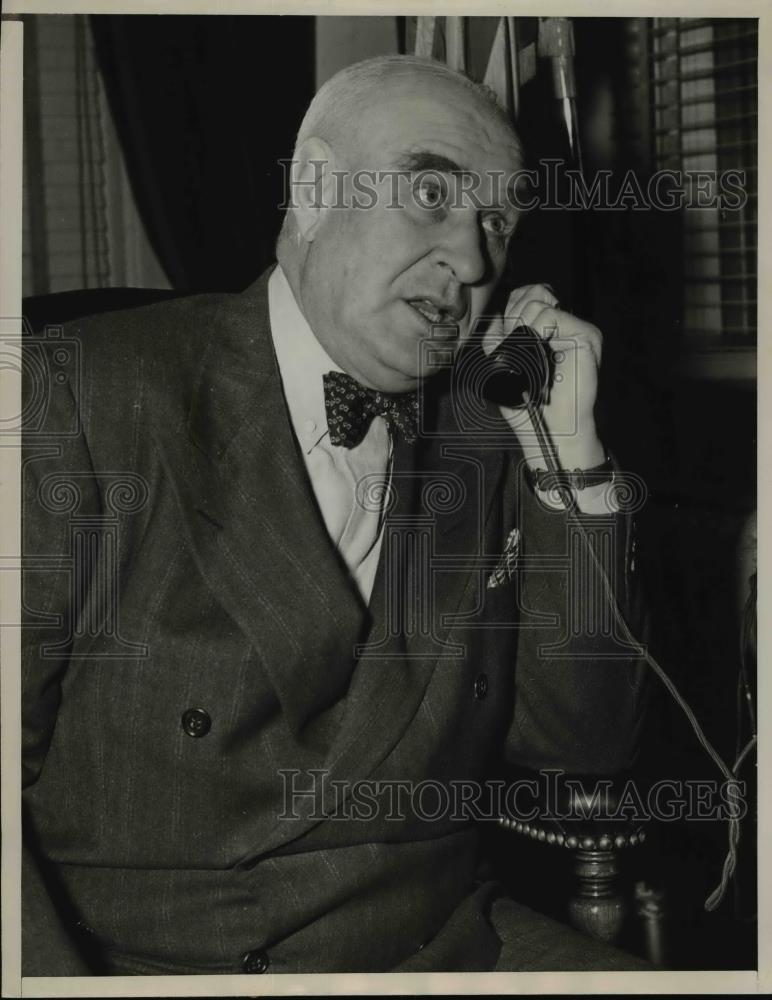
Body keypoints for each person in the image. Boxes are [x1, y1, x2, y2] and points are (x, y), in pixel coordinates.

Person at [22, 55, 650, 976]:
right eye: (431, 193)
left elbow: (581, 746)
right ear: (315, 190)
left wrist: (572, 464)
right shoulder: (80, 396)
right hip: (162, 961)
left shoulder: (492, 424)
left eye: (497, 221)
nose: (474, 259)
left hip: (446, 943)